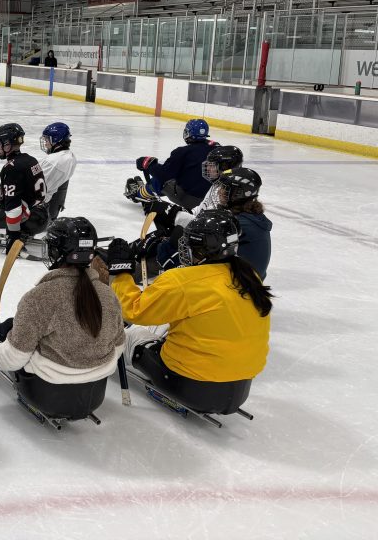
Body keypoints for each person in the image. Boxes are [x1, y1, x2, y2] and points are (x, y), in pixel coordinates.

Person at [106, 209, 272, 392]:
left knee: (130, 336)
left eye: (191, 243)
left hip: (190, 383)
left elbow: (133, 310)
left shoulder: (182, 280)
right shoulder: (250, 274)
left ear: (204, 249)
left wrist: (121, 273)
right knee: (170, 325)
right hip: (242, 383)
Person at [0, 217, 124, 386]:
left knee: (12, 334)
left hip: (48, 390)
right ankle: (2, 332)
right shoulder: (108, 294)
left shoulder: (39, 297)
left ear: (55, 251)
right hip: (96, 386)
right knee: (14, 325)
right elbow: (119, 346)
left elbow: (13, 359)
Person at [126, 118, 216, 211]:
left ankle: (138, 193)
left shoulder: (182, 152)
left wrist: (148, 164)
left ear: (188, 133)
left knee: (160, 180)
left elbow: (164, 175)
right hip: (211, 199)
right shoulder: (217, 148)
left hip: (189, 200)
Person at [217, 167, 271, 280]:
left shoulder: (242, 224)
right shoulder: (250, 217)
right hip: (247, 281)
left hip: (239, 286)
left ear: (239, 193)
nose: (219, 191)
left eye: (225, 188)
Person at [36, 122, 76, 219]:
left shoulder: (53, 161)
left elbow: (34, 187)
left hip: (37, 213)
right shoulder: (70, 156)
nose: (45, 143)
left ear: (55, 140)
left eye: (47, 140)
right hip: (51, 210)